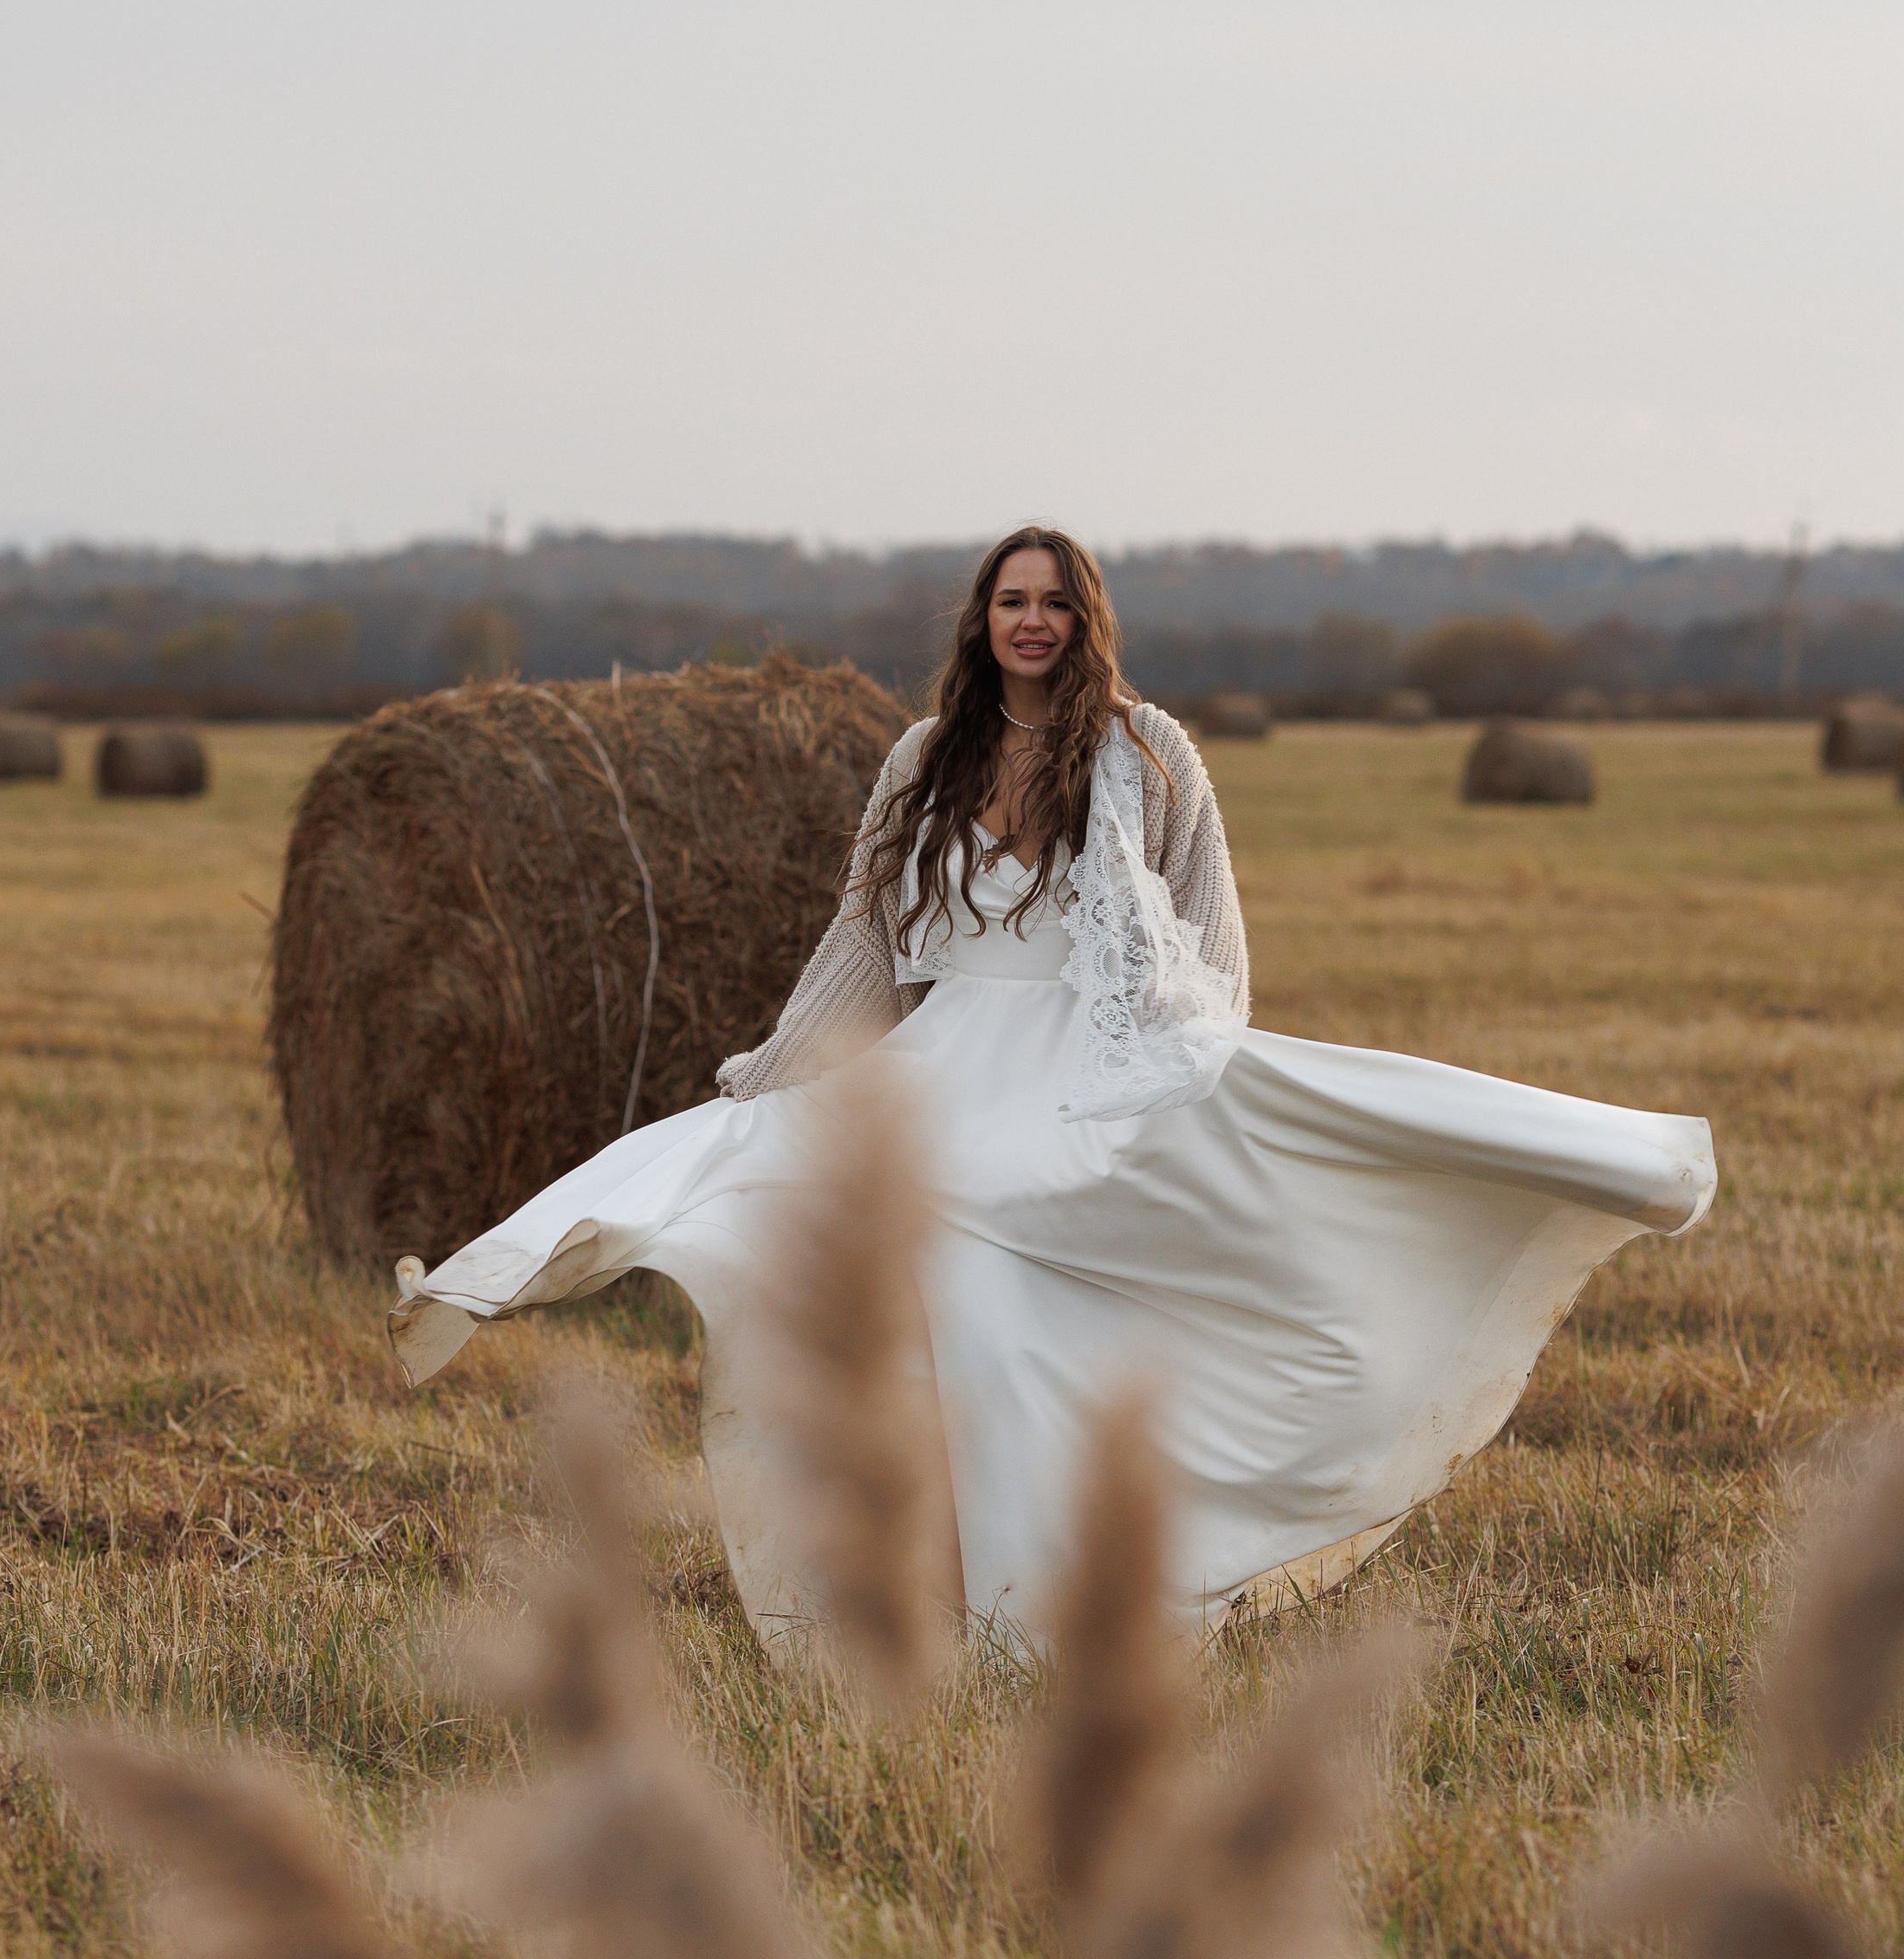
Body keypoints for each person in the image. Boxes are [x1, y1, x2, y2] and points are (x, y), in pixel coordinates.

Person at [389, 525, 1713, 1635]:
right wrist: (779, 1071)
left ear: (1090, 619)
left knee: (1032, 1331)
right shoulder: (922, 758)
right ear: (982, 620)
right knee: (780, 1209)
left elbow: (1210, 940)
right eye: (1012, 600)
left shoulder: (1152, 755)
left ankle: (1052, 1602)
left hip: (1085, 1072)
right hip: (947, 1065)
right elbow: (864, 934)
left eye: (1056, 601)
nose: (1033, 620)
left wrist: (1195, 1080)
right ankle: (950, 1589)